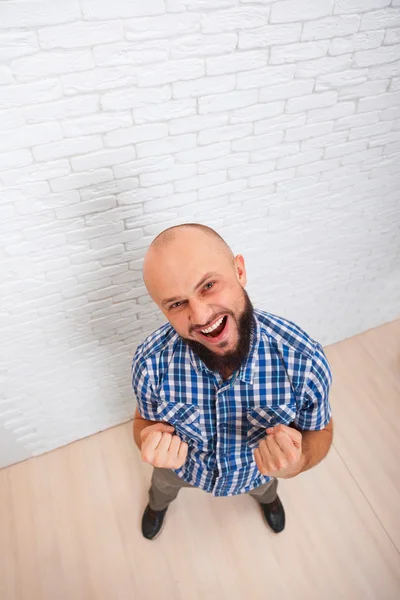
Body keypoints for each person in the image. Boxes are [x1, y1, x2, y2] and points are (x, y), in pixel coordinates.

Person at [132, 224, 333, 540]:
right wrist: (149, 444)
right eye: (176, 303)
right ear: (163, 309)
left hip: (256, 473)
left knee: (267, 489)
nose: (199, 316)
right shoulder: (150, 362)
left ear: (239, 270)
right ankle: (157, 506)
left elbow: (320, 430)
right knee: (161, 489)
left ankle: (268, 500)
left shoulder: (303, 361)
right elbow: (143, 420)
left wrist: (297, 463)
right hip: (181, 471)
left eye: (208, 285)